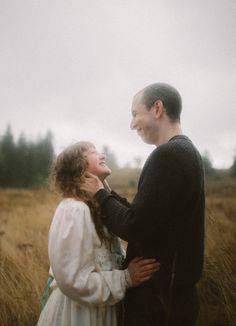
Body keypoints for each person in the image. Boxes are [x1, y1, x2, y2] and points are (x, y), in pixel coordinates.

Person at [82, 83, 205, 326]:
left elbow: (134, 226)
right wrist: (104, 191)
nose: (132, 124)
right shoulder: (186, 151)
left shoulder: (169, 155)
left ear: (157, 108)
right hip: (173, 294)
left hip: (159, 299)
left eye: (135, 114)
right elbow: (145, 214)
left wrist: (99, 195)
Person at [37, 141, 159, 326]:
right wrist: (125, 278)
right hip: (78, 315)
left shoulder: (97, 208)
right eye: (94, 152)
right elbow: (73, 280)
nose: (102, 155)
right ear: (79, 166)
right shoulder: (74, 209)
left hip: (100, 311)